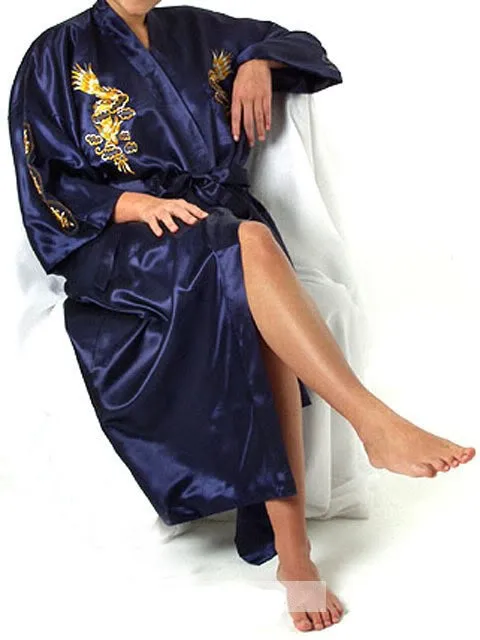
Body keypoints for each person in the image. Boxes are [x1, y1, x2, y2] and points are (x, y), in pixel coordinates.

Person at [8, 0, 476, 632]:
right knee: (247, 245)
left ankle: (296, 555)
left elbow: (297, 43)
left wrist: (260, 60)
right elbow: (42, 176)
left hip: (217, 224)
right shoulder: (56, 53)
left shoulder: (197, 29)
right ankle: (369, 422)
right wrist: (132, 206)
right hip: (122, 242)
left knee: (245, 269)